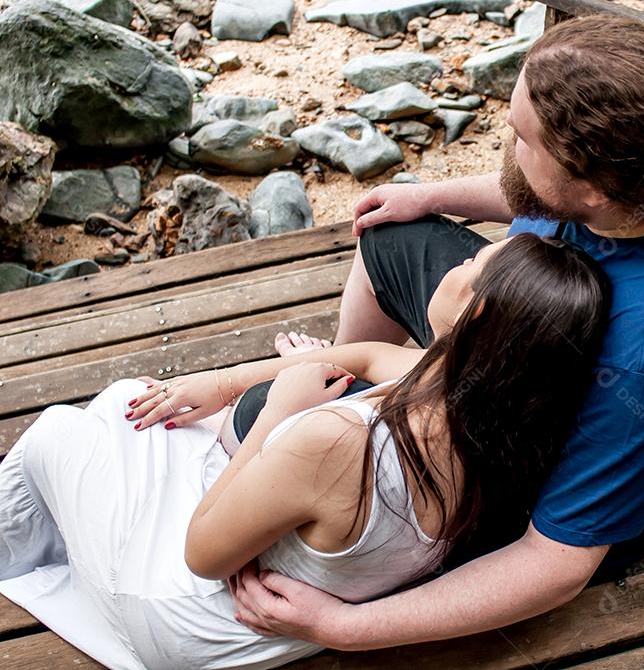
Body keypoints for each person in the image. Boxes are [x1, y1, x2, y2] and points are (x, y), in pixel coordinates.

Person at [231, 14, 644, 650]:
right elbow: (536, 196)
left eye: (523, 137)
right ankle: (359, 390)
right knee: (390, 237)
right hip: (528, 337)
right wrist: (432, 196)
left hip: (534, 480)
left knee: (262, 418)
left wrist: (344, 627)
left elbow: (556, 564)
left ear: (594, 182)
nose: (510, 142)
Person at [0, 234, 611, 670]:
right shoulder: (502, 424)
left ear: (475, 311)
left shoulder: (342, 444)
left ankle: (19, 553)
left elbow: (203, 555)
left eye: (472, 259)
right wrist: (225, 384)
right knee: (138, 405)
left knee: (63, 429)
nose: (458, 260)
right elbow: (373, 358)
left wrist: (277, 411)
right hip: (287, 625)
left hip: (194, 619)